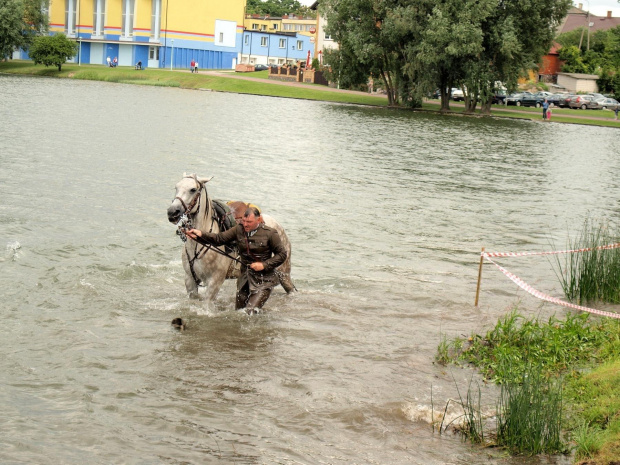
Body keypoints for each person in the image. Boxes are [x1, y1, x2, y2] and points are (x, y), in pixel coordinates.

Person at [184, 207, 287, 314]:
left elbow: (282, 254)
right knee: (238, 313)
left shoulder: (270, 233)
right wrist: (200, 234)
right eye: (244, 221)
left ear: (259, 220)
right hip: (244, 279)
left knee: (250, 312)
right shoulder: (239, 229)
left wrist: (264, 265)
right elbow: (219, 239)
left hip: (264, 280)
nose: (246, 225)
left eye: (249, 222)